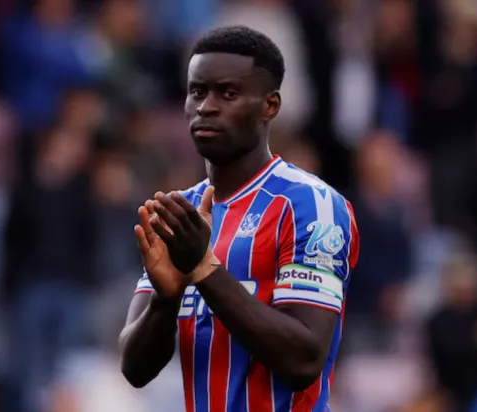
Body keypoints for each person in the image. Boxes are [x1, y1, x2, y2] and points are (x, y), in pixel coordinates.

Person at [119, 25, 360, 412]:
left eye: (228, 93)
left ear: (270, 106)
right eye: (197, 92)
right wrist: (166, 299)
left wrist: (203, 269)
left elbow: (304, 361)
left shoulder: (310, 205)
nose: (206, 106)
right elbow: (134, 370)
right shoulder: (180, 213)